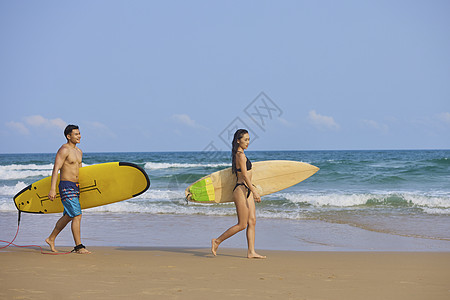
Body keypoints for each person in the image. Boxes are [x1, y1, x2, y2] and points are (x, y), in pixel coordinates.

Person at [211, 129, 266, 259]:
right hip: (241, 190)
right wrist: (254, 191)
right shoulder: (240, 155)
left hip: (247, 191)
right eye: (245, 139)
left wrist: (251, 190)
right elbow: (245, 176)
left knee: (252, 221)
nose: (248, 142)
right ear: (238, 140)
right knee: (242, 224)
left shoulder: (242, 154)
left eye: (248, 139)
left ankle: (251, 252)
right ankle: (217, 241)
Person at [45, 125, 90, 254]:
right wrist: (52, 189)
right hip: (66, 185)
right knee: (77, 215)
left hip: (75, 186)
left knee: (69, 215)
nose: (79, 136)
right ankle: (79, 247)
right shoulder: (64, 150)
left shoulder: (79, 151)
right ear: (68, 136)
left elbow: (80, 171)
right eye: (76, 134)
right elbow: (56, 169)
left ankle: (51, 238)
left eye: (79, 133)